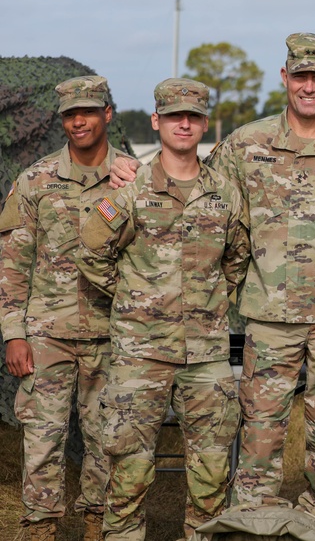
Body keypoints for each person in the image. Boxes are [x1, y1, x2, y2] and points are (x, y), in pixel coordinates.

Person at [110, 34, 315, 528]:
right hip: (267, 321)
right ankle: (253, 529)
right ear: (284, 78)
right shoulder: (245, 144)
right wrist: (127, 169)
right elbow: (189, 179)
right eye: (300, 76)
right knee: (259, 440)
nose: (309, 87)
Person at [77, 78, 250, 540]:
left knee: (213, 474)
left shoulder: (225, 194)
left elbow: (237, 259)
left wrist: (206, 303)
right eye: (174, 116)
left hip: (207, 358)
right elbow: (92, 249)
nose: (184, 124)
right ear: (158, 121)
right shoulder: (132, 192)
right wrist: (133, 297)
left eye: (192, 117)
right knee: (128, 472)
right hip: (140, 355)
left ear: (203, 124)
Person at [0, 76, 129, 541]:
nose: (79, 121)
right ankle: (39, 527)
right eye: (70, 114)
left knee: (108, 436)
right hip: (47, 334)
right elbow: (14, 262)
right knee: (42, 437)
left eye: (89, 111)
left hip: (113, 332)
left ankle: (98, 522)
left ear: (107, 114)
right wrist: (14, 332)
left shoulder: (134, 179)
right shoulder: (35, 180)